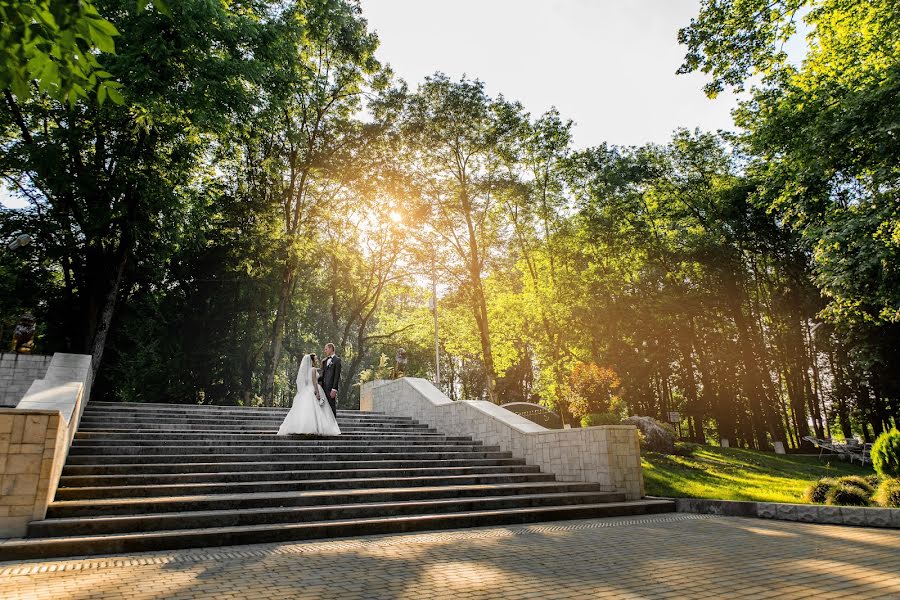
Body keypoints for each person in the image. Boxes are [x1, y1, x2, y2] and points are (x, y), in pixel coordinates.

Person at [277, 353, 341, 436]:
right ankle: (317, 428)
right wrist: (317, 392)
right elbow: (314, 382)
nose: (317, 360)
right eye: (316, 359)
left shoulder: (307, 370)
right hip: (314, 389)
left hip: (307, 390)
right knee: (317, 410)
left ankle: (302, 427)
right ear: (312, 360)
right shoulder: (313, 369)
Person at [318, 343, 342, 417]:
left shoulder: (337, 360)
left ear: (331, 348)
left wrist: (334, 389)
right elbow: (322, 375)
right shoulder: (324, 361)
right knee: (323, 407)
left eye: (326, 349)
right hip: (323, 388)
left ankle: (333, 426)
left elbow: (336, 376)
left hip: (331, 389)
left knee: (331, 407)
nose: (325, 351)